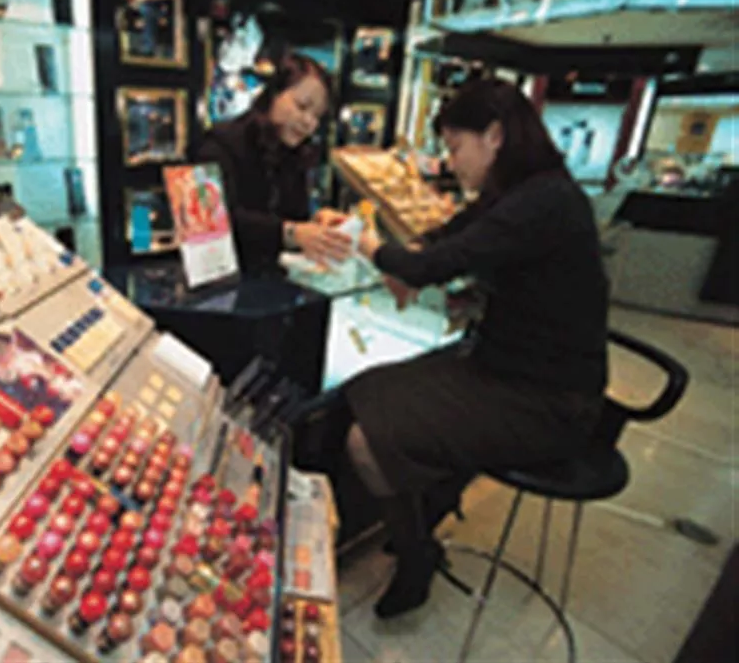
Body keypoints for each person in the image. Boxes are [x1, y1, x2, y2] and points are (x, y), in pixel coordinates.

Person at [293, 79, 609, 618]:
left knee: (366, 439)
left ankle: (416, 550)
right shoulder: (524, 194)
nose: (450, 161)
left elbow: (431, 266)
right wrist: (411, 253)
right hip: (504, 371)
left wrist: (368, 244)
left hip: (545, 402)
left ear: (494, 136)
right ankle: (419, 517)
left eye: (456, 146)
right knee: (361, 390)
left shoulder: (544, 201)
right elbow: (450, 237)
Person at [193, 53, 352, 271]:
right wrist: (291, 233)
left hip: (274, 281)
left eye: (317, 116)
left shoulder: (293, 154)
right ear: (274, 94)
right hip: (220, 280)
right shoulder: (218, 144)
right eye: (302, 106)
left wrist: (317, 223)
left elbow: (292, 219)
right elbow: (206, 225)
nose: (309, 122)